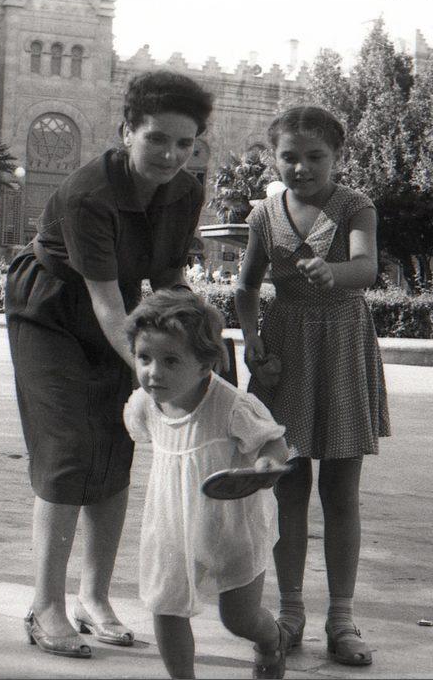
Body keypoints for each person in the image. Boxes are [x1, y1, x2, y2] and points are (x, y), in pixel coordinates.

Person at [4, 70, 214, 660]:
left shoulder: (185, 192)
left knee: (115, 446)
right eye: (156, 139)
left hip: (122, 310)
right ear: (127, 131)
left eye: (185, 142)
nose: (171, 154)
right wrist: (152, 374)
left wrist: (196, 347)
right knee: (69, 449)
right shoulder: (89, 193)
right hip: (50, 309)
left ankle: (93, 598)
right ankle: (45, 604)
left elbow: (167, 276)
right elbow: (103, 300)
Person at [234, 105, 390, 667]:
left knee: (341, 489)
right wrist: (252, 338)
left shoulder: (354, 205)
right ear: (272, 159)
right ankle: (291, 610)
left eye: (315, 156)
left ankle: (342, 619)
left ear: (337, 157)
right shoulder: (264, 214)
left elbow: (366, 267)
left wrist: (334, 273)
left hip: (342, 346)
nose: (301, 167)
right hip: (287, 351)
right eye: (289, 157)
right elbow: (247, 286)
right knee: (288, 484)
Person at [123, 289, 291, 679]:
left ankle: (272, 638)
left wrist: (267, 463)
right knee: (165, 606)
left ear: (204, 365)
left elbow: (274, 441)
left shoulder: (231, 405)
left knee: (239, 618)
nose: (154, 372)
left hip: (234, 525)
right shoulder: (145, 404)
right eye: (144, 358)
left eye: (170, 361)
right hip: (172, 523)